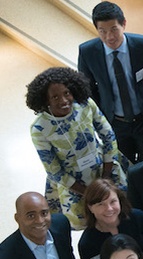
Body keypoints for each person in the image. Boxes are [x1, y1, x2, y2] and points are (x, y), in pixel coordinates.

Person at [26, 67, 126, 230]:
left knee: (118, 210)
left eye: (67, 93)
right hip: (73, 184)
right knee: (92, 224)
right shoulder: (39, 128)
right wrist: (88, 193)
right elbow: (54, 171)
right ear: (46, 100)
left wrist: (106, 177)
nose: (64, 100)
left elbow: (108, 135)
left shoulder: (85, 105)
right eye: (55, 96)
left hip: (104, 168)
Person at [77, 1, 143, 163]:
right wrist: (102, 119)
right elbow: (87, 90)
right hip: (115, 123)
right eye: (102, 31)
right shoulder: (87, 52)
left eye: (114, 30)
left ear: (123, 24)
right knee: (124, 165)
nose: (109, 37)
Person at [79, 178, 143, 259]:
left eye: (113, 201)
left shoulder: (138, 218)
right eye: (101, 204)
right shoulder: (87, 244)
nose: (109, 209)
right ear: (90, 208)